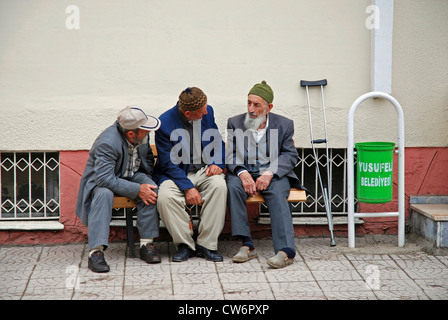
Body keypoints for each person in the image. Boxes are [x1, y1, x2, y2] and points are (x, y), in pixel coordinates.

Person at [226, 81, 307, 269]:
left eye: (257, 105)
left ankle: (286, 251)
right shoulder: (235, 122)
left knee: (278, 193)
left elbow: (289, 154)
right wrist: (242, 172)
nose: (251, 109)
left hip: (273, 174)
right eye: (248, 103)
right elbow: (230, 154)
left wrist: (270, 172)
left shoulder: (285, 124)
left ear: (269, 107)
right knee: (232, 186)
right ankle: (247, 245)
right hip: (245, 172)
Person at [76, 106, 162, 273]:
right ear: (131, 134)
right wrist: (137, 189)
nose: (147, 134)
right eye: (144, 131)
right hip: (103, 181)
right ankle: (96, 252)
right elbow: (104, 179)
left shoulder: (140, 133)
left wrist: (145, 179)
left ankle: (146, 244)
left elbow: (148, 159)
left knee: (151, 188)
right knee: (104, 194)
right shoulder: (108, 142)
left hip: (132, 174)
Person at [154, 87, 227, 262]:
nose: (205, 114)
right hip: (176, 174)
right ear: (188, 113)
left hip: (203, 170)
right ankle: (184, 245)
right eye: (201, 113)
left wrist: (218, 163)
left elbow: (217, 141)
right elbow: (167, 163)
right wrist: (187, 188)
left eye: (205, 110)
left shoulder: (207, 112)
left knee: (219, 186)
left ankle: (206, 244)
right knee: (164, 197)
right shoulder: (164, 123)